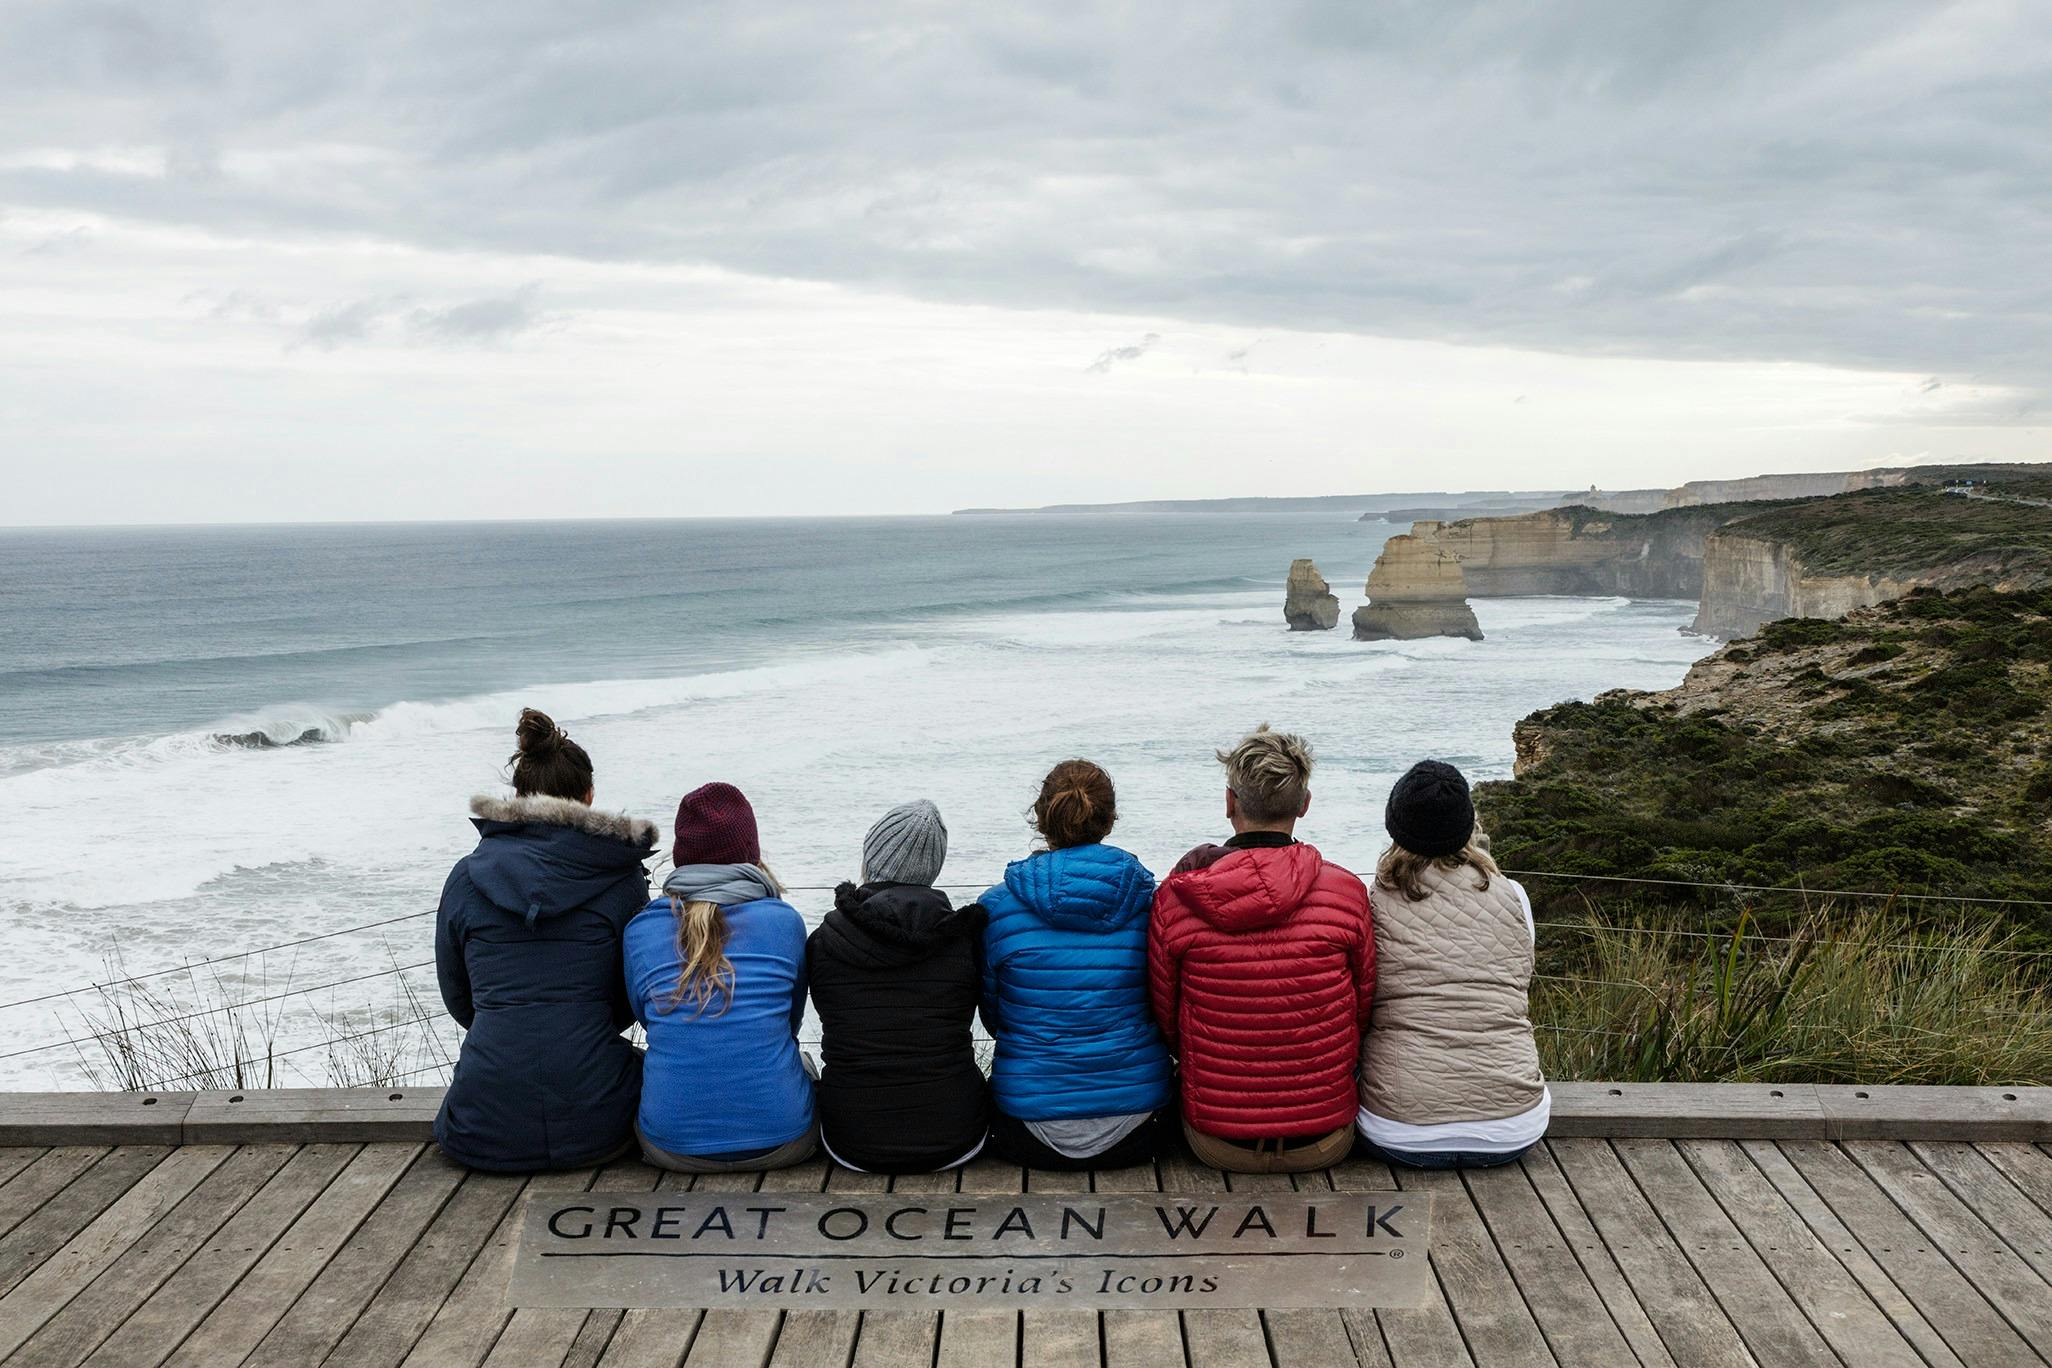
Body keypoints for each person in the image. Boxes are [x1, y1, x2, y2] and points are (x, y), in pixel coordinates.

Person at [433, 709, 655, 1172]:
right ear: (589, 797)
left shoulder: (466, 878)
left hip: (480, 1125)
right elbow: (632, 999)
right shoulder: (622, 880)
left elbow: (459, 1000)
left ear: (516, 799)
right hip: (598, 1124)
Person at [1150, 725, 1374, 1173]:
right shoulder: (1347, 892)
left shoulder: (1177, 898)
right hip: (1325, 1141)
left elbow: (1167, 1020)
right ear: (1304, 805)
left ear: (1230, 802)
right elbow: (1361, 1012)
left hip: (1217, 1143)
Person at [979, 760, 1174, 1169]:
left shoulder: (997, 908)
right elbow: (1164, 1006)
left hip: (1027, 1127)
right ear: (1109, 820)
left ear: (1041, 817)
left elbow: (994, 1017)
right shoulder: (1150, 904)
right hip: (1139, 1124)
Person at [1355, 760, 1549, 1169]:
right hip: (1513, 1125)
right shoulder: (1514, 896)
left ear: (1395, 826)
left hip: (1399, 1129)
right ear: (1467, 824)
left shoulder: (1370, 904)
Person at [626, 781, 817, 1171]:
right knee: (804, 1062)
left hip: (672, 1148)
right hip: (783, 1141)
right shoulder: (784, 922)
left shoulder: (641, 929)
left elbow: (647, 1018)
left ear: (683, 855)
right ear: (751, 852)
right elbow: (789, 1023)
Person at [808, 800, 989, 1173]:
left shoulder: (825, 940)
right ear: (933, 867)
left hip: (851, 1137)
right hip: (956, 1135)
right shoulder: (965, 940)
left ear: (871, 858)